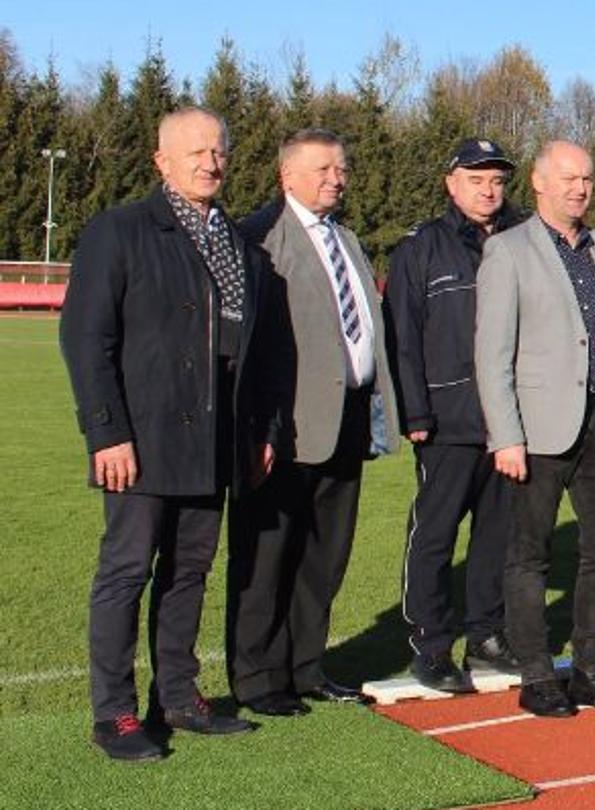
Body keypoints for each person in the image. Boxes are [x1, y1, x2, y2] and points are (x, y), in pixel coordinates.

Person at [61, 107, 264, 760]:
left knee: (189, 574)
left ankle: (177, 697)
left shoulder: (237, 243)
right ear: (162, 162)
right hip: (141, 441)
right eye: (196, 151)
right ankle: (115, 714)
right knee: (126, 572)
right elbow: (87, 337)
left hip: (213, 440)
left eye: (219, 150)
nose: (211, 161)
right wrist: (105, 432)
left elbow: (248, 352)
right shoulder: (120, 231)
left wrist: (256, 429)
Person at [231, 128, 401, 714]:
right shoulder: (260, 237)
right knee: (269, 555)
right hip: (287, 426)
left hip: (348, 419)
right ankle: (256, 678)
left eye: (342, 168)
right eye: (325, 168)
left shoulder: (346, 239)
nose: (338, 177)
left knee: (324, 555)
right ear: (288, 176)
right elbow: (252, 345)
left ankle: (306, 667)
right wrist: (259, 427)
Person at [474, 140, 595, 718]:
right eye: (568, 178)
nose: (580, 188)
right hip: (536, 429)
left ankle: (592, 669)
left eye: (587, 178)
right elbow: (492, 353)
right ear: (540, 184)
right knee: (529, 555)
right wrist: (506, 435)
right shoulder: (507, 251)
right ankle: (538, 673)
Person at [383, 138, 525, 693]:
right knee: (435, 535)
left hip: (508, 423)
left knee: (499, 538)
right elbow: (403, 336)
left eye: (495, 181)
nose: (488, 191)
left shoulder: (521, 240)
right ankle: (431, 643)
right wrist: (415, 411)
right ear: (451, 183)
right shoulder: (422, 247)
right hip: (447, 418)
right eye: (475, 180)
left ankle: (487, 636)